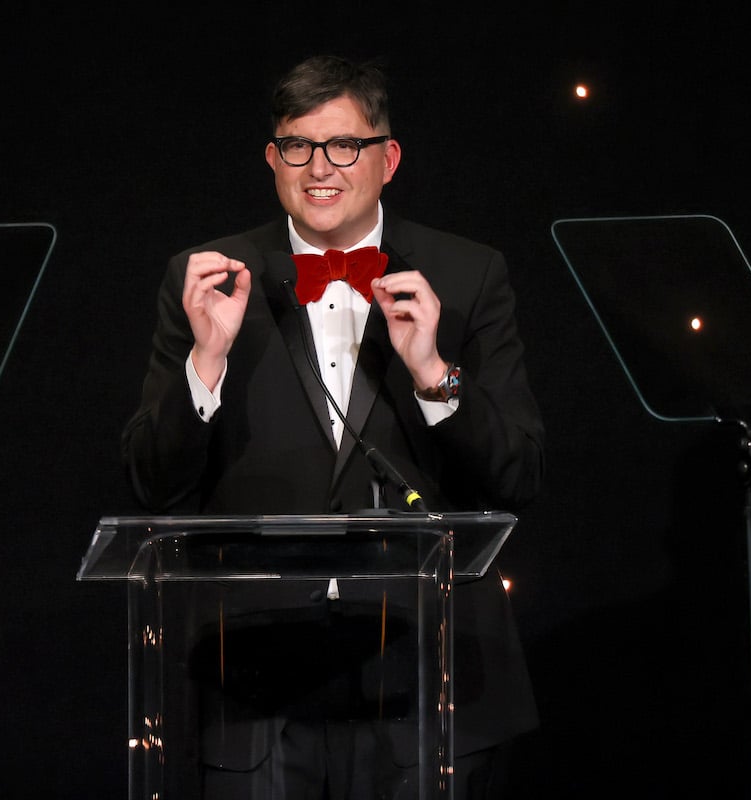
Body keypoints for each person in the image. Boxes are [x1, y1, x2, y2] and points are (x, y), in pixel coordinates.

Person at [123, 54, 544, 800]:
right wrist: (206, 362)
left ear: (388, 158)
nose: (320, 167)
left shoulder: (470, 273)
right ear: (271, 158)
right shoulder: (207, 277)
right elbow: (153, 486)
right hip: (254, 683)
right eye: (297, 145)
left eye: (344, 145)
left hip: (429, 676)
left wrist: (434, 375)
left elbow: (518, 477)